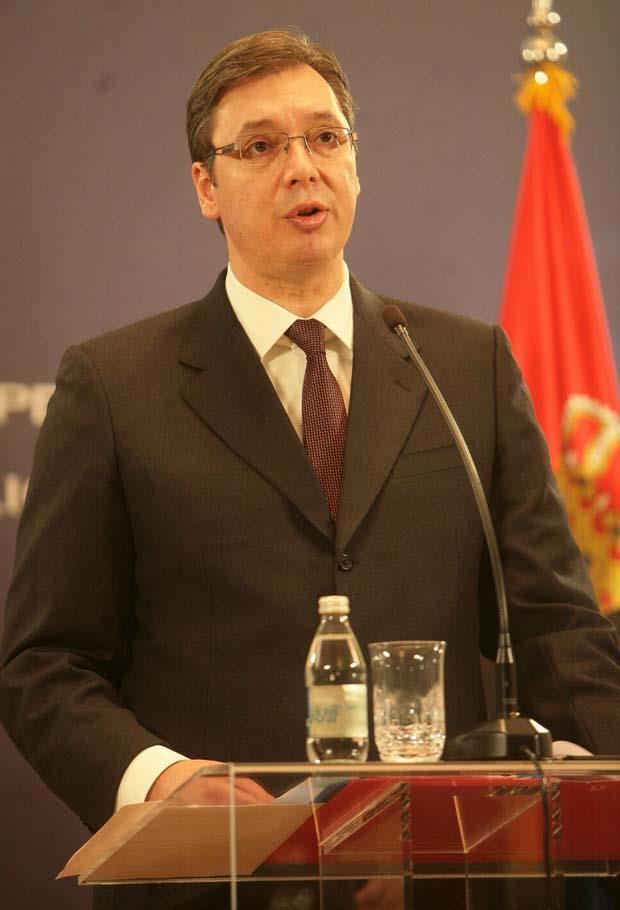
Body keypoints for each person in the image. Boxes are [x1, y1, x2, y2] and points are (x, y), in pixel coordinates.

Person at [1, 27, 620, 910]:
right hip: (213, 883)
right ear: (205, 187)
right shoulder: (113, 386)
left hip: (440, 880)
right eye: (261, 146)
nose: (302, 167)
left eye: (325, 137)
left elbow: (556, 627)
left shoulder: (466, 365)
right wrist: (161, 780)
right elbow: (45, 663)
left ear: (355, 161)